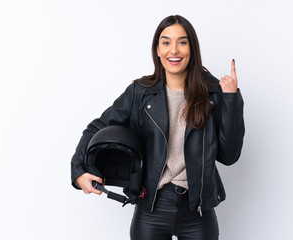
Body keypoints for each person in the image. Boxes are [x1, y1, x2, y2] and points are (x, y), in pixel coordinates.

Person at [71, 15, 245, 240]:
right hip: (151, 208)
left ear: (192, 48)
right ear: (157, 50)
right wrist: (78, 171)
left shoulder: (212, 93)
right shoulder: (140, 93)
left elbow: (229, 156)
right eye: (166, 42)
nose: (174, 50)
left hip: (198, 211)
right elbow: (97, 127)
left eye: (182, 42)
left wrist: (230, 99)